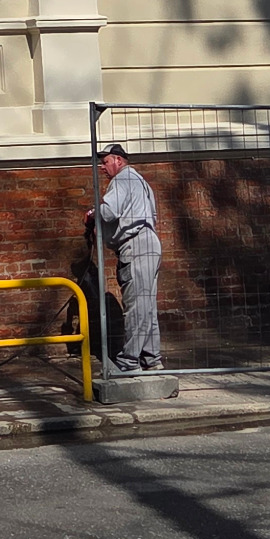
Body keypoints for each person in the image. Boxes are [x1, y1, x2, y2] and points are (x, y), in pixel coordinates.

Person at [87, 142, 163, 374]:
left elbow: (110, 211)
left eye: (105, 162)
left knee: (136, 305)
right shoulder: (141, 182)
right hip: (149, 242)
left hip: (135, 245)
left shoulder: (121, 179)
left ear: (118, 160)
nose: (102, 167)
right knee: (146, 305)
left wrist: (93, 214)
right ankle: (151, 358)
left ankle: (129, 361)